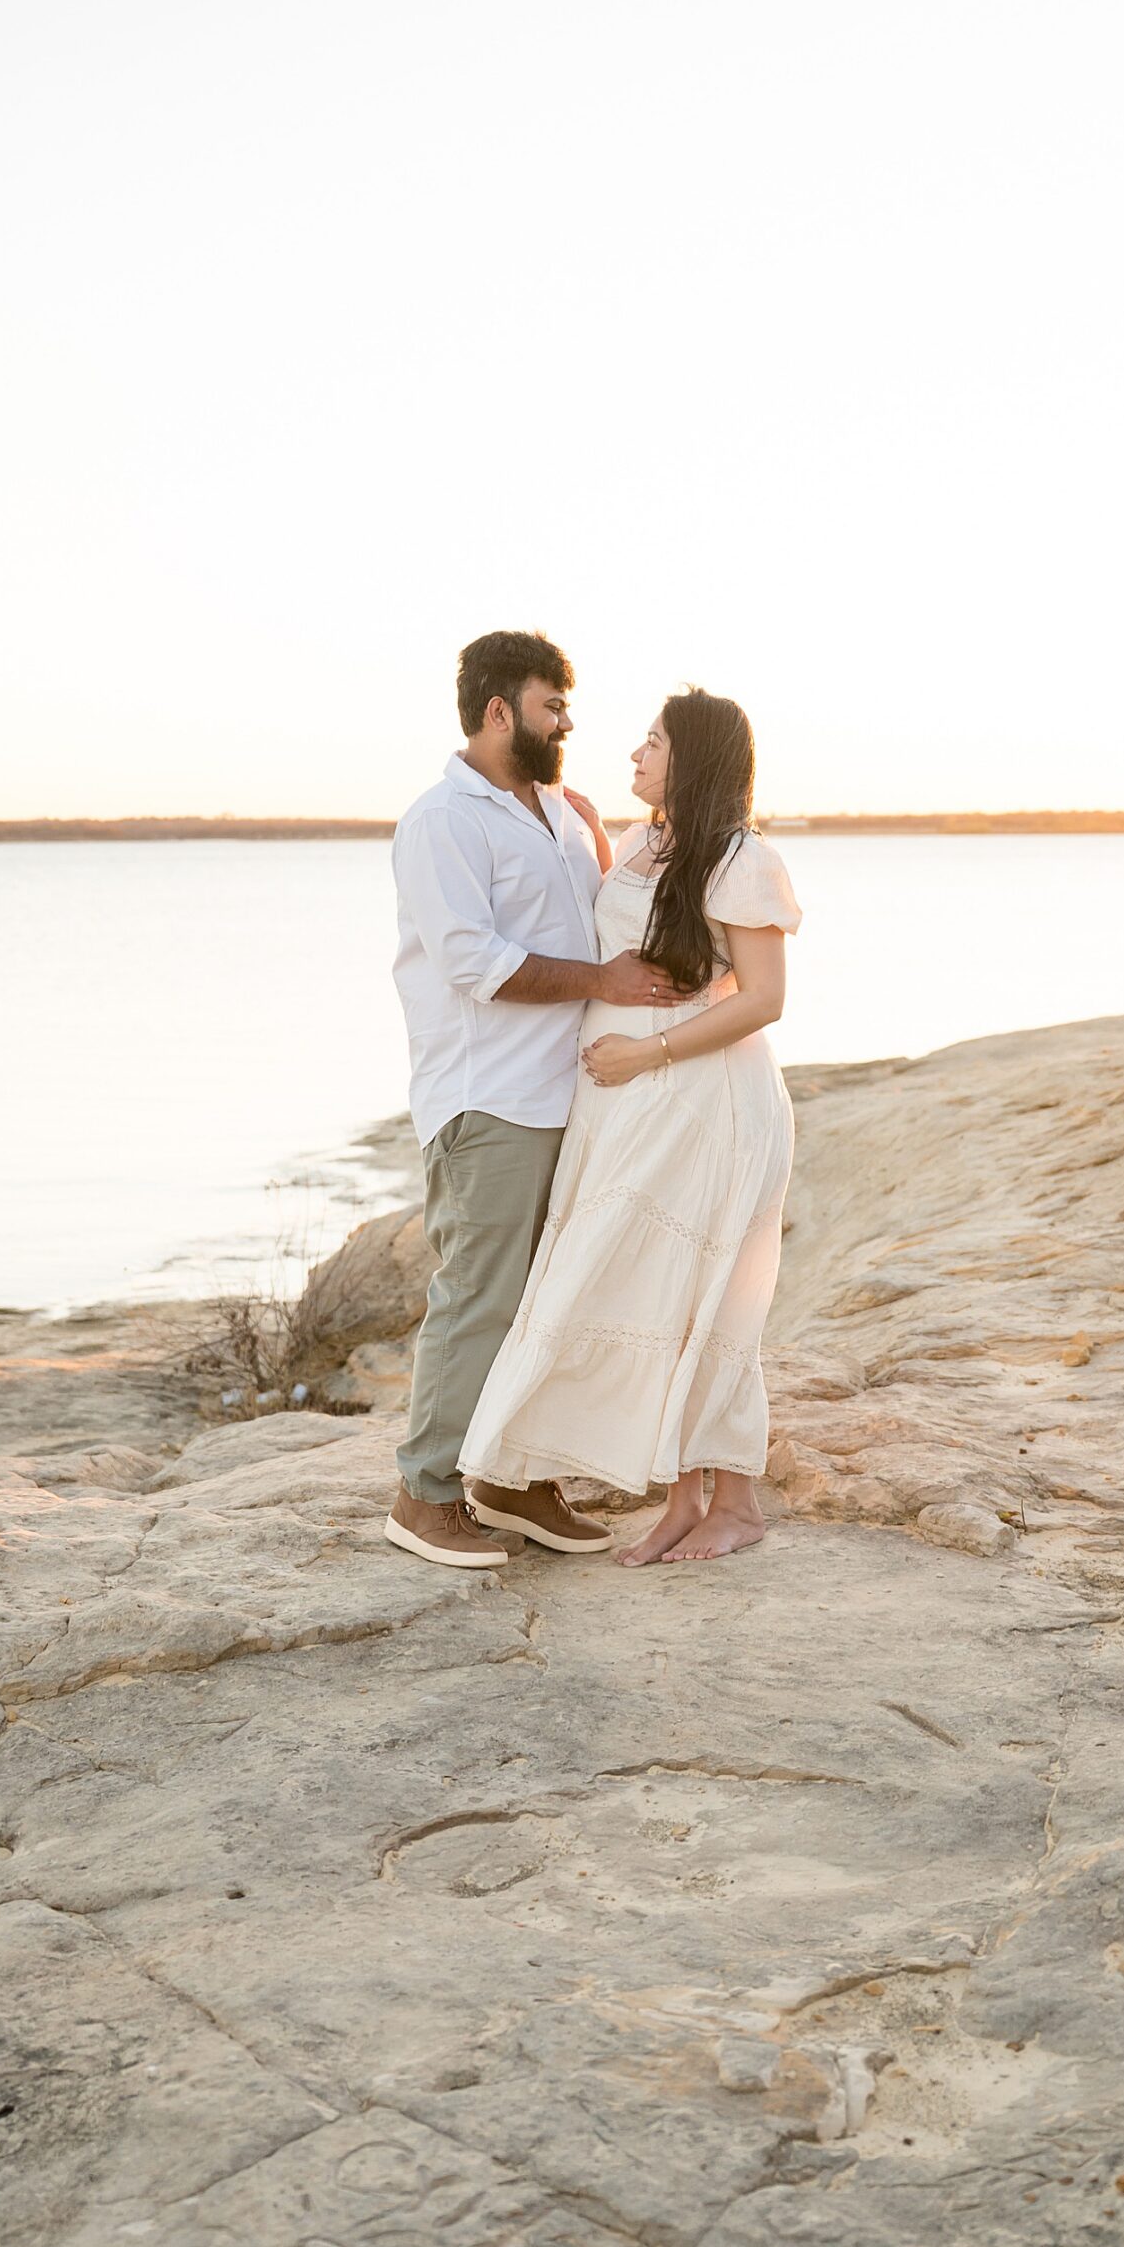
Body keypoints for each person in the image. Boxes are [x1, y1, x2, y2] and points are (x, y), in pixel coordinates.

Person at [460, 687, 801, 1563]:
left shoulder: (741, 859)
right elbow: (647, 937)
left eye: (652, 744)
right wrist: (602, 847)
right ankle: (682, 1498)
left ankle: (738, 1504)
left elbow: (763, 998)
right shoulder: (652, 845)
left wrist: (648, 1057)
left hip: (705, 1104)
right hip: (626, 1107)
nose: (635, 756)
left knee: (709, 1299)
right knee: (652, 1293)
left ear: (695, 758)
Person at [386, 631, 679, 1569]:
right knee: (480, 1298)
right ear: (499, 710)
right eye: (552, 706)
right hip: (491, 1098)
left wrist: (599, 838)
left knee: (552, 1299)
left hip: (574, 1096)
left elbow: (601, 912)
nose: (567, 722)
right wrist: (603, 980)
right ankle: (424, 1493)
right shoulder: (443, 821)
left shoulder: (558, 810)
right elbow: (471, 962)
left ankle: (511, 1479)